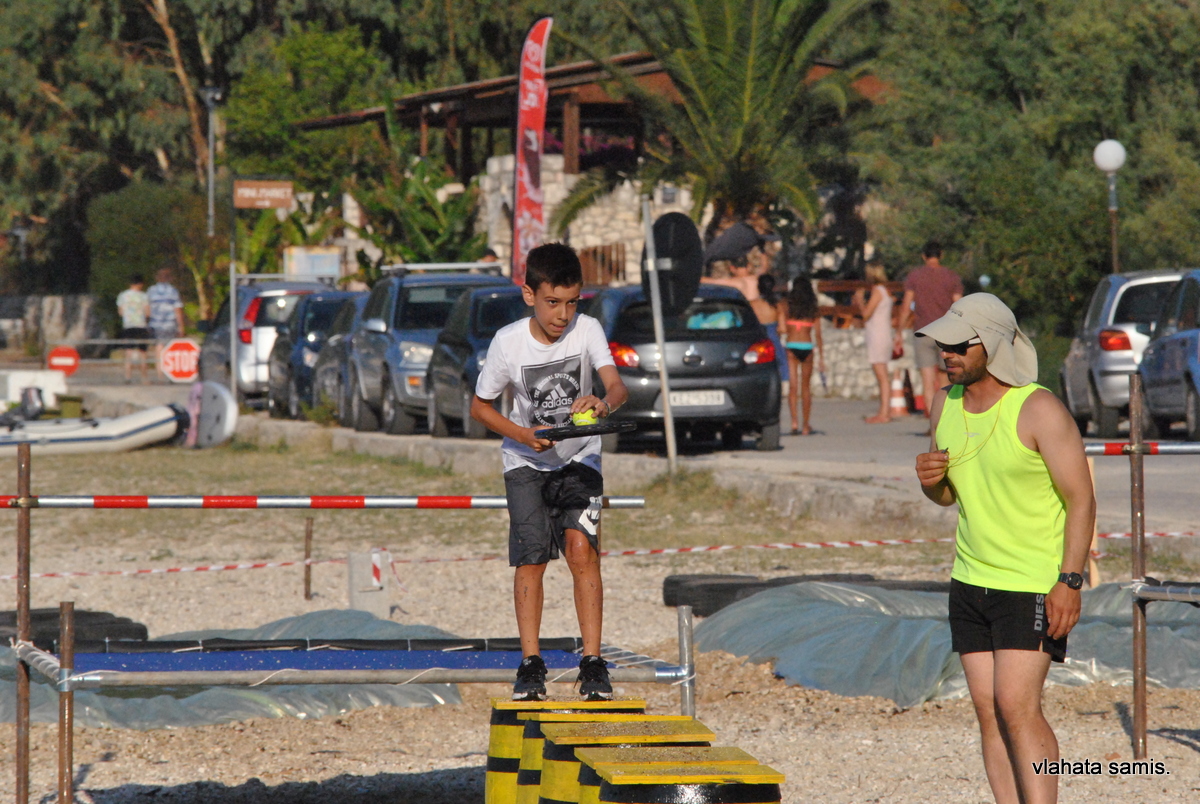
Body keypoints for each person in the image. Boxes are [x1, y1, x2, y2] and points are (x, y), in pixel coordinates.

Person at [914, 293, 1094, 804]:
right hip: (970, 581)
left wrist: (1070, 581)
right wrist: (930, 483)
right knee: (989, 711)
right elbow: (949, 496)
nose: (946, 354)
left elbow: (1081, 499)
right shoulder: (943, 404)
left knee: (1017, 706)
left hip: (1032, 583)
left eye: (958, 345)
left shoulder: (1038, 408)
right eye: (942, 345)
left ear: (991, 344)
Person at [470, 242, 629, 702]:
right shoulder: (508, 342)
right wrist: (523, 435)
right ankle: (531, 664)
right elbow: (480, 407)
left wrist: (602, 402)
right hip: (525, 462)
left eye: (572, 302)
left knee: (582, 552)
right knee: (532, 557)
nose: (563, 314)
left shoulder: (588, 329)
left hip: (580, 457)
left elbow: (616, 385)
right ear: (529, 295)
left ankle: (593, 663)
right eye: (553, 302)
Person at [901, 241, 964, 417]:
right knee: (946, 378)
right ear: (941, 255)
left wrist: (899, 331)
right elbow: (959, 304)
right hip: (946, 333)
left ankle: (932, 420)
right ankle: (946, 417)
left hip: (923, 331)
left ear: (924, 256)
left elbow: (906, 306)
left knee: (927, 380)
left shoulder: (915, 276)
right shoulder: (951, 276)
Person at [781, 278, 825, 435]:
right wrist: (822, 357)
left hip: (791, 346)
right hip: (807, 347)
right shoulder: (813, 310)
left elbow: (782, 327)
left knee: (793, 387)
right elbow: (818, 335)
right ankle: (806, 425)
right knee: (806, 387)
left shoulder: (787, 307)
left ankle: (794, 423)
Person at [856, 261, 897, 423]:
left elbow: (866, 314)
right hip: (883, 333)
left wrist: (859, 300)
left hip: (877, 335)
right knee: (883, 374)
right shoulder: (885, 291)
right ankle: (884, 410)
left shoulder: (877, 291)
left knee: (881, 375)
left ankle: (884, 412)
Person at [147, 268, 185, 380]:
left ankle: (160, 374)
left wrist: (147, 321)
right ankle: (169, 373)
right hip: (170, 324)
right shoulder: (173, 291)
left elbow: (147, 309)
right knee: (170, 348)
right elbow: (177, 309)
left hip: (155, 323)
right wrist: (181, 326)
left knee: (159, 347)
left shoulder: (151, 290)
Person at [753, 274, 788, 385]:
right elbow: (783, 328)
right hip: (773, 338)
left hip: (756, 338)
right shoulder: (777, 305)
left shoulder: (751, 304)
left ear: (758, 287)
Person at [116, 275, 151, 384]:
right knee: (143, 353)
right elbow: (148, 312)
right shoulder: (143, 296)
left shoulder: (123, 296)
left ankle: (128, 377)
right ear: (140, 284)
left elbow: (120, 312)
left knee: (128, 352)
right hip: (141, 325)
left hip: (128, 325)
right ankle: (144, 378)